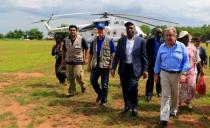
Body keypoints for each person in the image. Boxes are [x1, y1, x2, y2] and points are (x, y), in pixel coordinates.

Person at [154, 27, 191, 127]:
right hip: (164, 73)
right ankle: (164, 118)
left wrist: (183, 73)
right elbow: (158, 61)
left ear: (175, 36)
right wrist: (156, 73)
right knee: (165, 96)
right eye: (167, 35)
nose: (169, 37)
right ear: (165, 36)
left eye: (171, 35)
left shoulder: (181, 46)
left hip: (177, 74)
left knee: (175, 94)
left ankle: (173, 110)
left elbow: (186, 63)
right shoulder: (162, 47)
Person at [111, 22, 148, 116]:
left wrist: (145, 70)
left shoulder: (141, 41)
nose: (129, 30)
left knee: (133, 86)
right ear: (126, 30)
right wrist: (113, 67)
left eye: (131, 28)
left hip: (135, 68)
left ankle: (134, 106)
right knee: (125, 87)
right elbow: (117, 56)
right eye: (127, 28)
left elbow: (144, 56)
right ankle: (127, 105)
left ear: (134, 29)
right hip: (124, 67)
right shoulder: (121, 41)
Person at [88, 22, 116, 106]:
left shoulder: (110, 40)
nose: (100, 31)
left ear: (105, 30)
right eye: (99, 29)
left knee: (105, 84)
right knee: (93, 81)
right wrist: (88, 64)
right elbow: (90, 53)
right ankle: (100, 94)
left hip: (105, 65)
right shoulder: (94, 41)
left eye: (101, 29)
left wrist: (112, 65)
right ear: (97, 31)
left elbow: (113, 54)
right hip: (96, 64)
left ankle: (104, 101)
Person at [177, 31, 203, 109]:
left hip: (191, 71)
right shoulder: (178, 47)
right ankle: (178, 102)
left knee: (191, 87)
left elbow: (197, 59)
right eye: (184, 37)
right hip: (180, 71)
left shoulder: (193, 48)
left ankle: (189, 101)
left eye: (187, 37)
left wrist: (200, 69)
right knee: (180, 87)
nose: (186, 38)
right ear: (180, 39)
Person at [62, 25, 89, 96]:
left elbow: (87, 49)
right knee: (70, 77)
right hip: (69, 60)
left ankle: (83, 86)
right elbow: (64, 50)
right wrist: (63, 60)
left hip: (78, 60)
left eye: (74, 30)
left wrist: (86, 58)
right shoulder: (65, 39)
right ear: (69, 31)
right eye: (71, 30)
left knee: (78, 75)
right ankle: (72, 91)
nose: (72, 31)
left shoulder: (81, 39)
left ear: (76, 31)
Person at [145, 27, 163, 102]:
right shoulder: (149, 41)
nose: (159, 34)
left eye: (160, 33)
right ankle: (149, 94)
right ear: (155, 33)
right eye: (157, 32)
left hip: (161, 64)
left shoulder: (164, 42)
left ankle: (159, 91)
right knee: (150, 79)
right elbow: (146, 52)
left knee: (160, 79)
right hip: (151, 63)